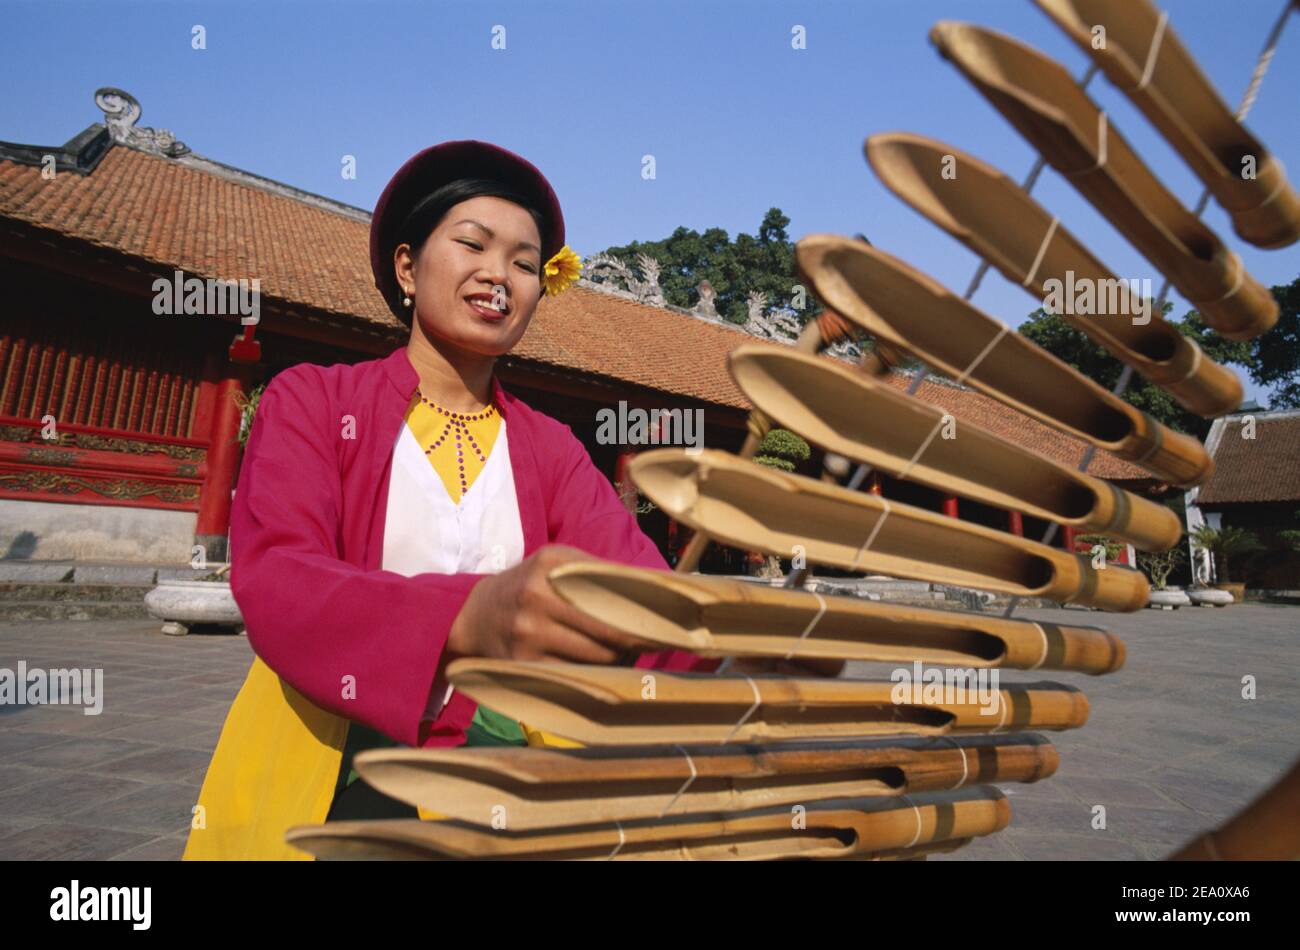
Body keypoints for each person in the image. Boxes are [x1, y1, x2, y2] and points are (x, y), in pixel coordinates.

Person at [183, 140, 719, 859]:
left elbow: (638, 595)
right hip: (327, 765)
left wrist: (738, 653)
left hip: (501, 789)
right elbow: (279, 580)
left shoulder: (553, 450)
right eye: (473, 244)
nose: (500, 274)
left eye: (526, 264)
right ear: (407, 267)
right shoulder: (313, 401)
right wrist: (468, 616)